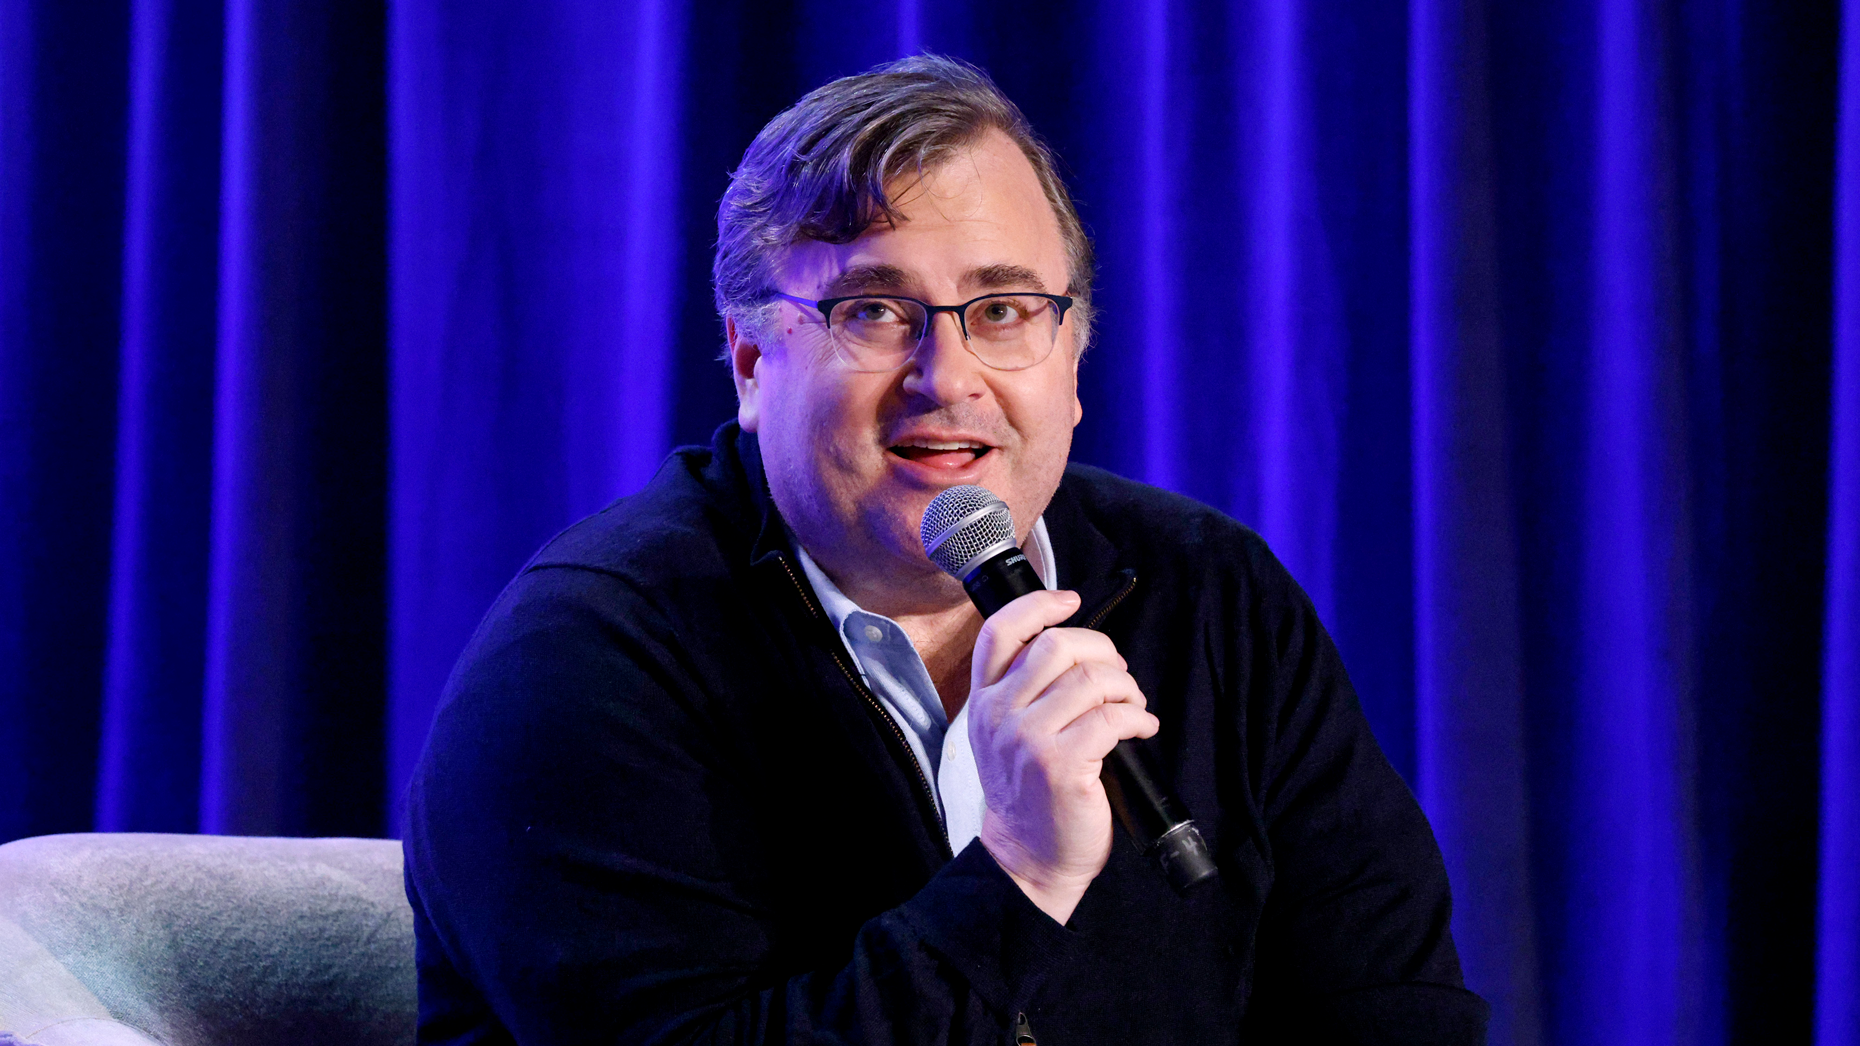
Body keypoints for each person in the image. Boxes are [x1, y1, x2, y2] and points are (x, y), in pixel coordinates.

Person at [403, 55, 1489, 1045]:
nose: (948, 374)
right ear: (748, 362)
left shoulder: (1215, 593)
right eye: (875, 312)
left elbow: (1394, 1008)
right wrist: (1016, 871)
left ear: (1072, 357)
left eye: (1005, 308)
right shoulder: (583, 663)